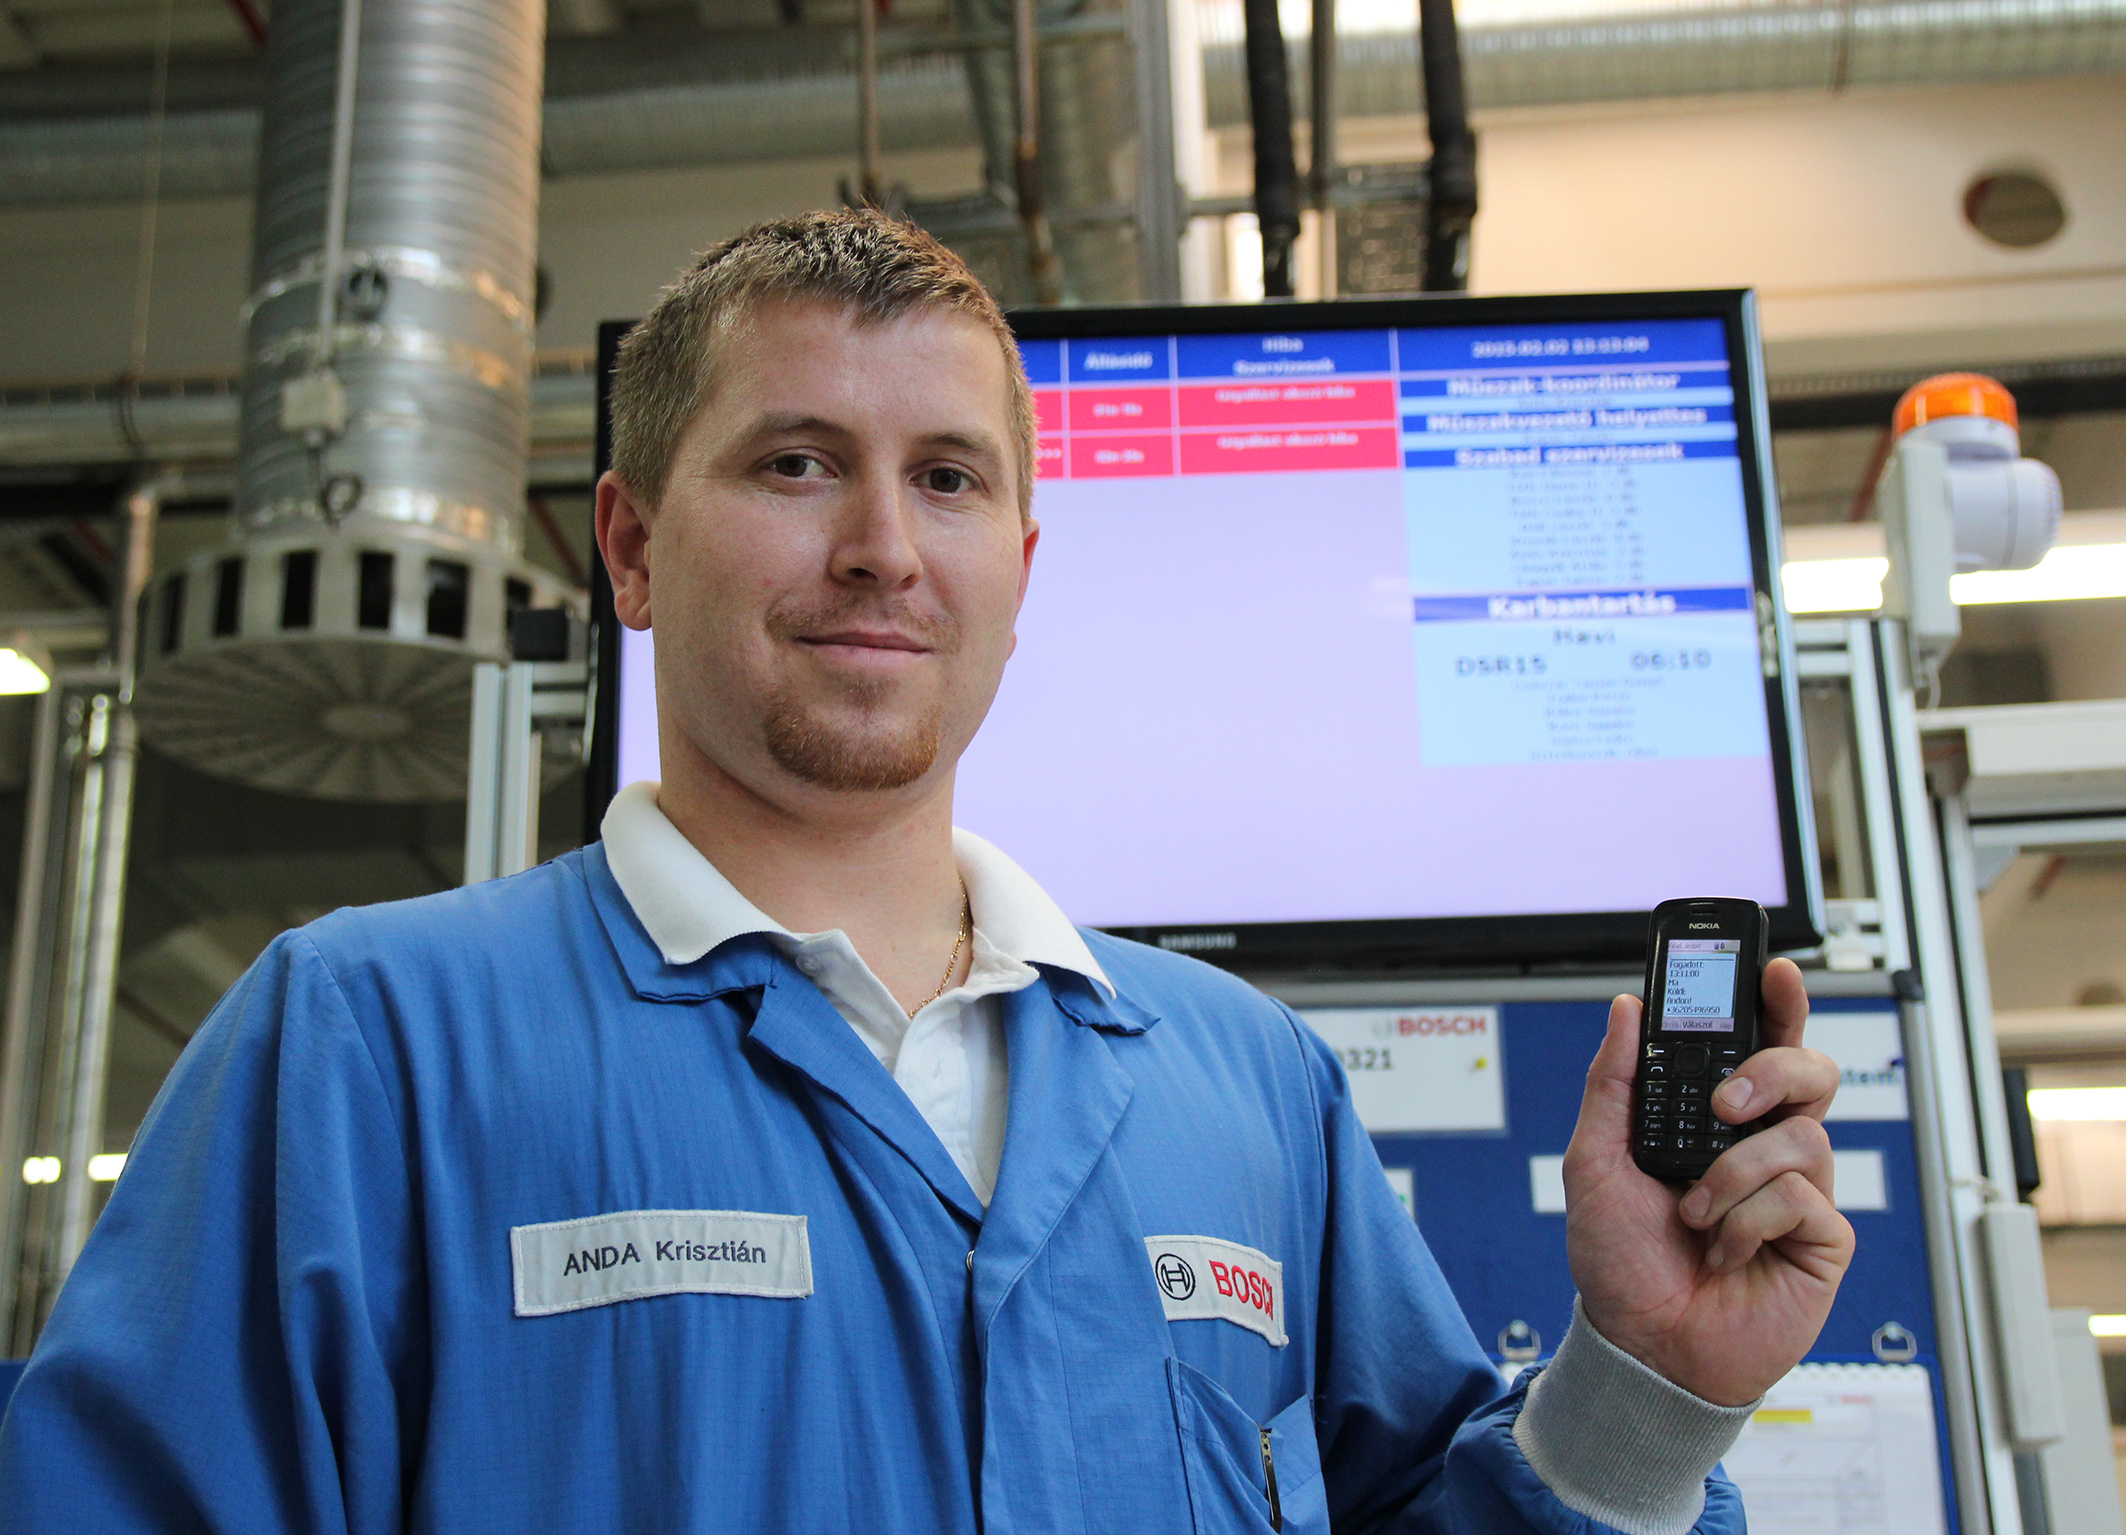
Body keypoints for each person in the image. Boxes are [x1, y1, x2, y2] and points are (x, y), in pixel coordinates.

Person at [0, 210, 1852, 1534]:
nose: (884, 547)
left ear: (1020, 573)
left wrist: (1647, 1381)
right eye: (797, 464)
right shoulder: (366, 1043)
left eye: (950, 480)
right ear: (630, 549)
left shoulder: (1245, 1082)